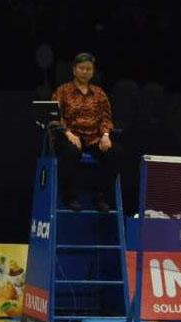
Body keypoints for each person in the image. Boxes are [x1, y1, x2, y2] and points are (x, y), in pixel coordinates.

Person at [52, 52, 120, 212]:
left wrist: (105, 135)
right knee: (71, 152)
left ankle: (100, 196)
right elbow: (55, 116)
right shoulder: (63, 91)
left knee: (115, 153)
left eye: (88, 69)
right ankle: (70, 196)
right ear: (74, 70)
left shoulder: (99, 93)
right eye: (81, 68)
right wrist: (68, 133)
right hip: (70, 136)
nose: (85, 71)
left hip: (94, 138)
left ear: (93, 71)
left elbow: (106, 118)